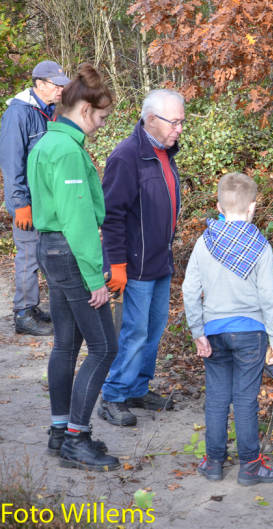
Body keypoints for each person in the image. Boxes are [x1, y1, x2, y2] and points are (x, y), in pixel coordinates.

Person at [27, 63, 119, 471]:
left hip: (52, 250)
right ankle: (76, 439)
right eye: (100, 117)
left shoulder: (46, 142)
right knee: (104, 347)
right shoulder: (65, 150)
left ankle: (60, 431)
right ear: (84, 110)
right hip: (68, 253)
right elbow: (78, 220)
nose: (100, 124)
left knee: (67, 343)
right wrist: (95, 277)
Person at [182, 172, 273, 486]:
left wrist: (197, 330)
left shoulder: (205, 242)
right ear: (253, 208)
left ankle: (213, 463)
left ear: (218, 206)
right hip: (251, 333)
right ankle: (250, 466)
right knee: (245, 400)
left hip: (214, 330)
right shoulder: (260, 246)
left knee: (215, 398)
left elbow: (188, 290)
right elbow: (269, 297)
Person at [97, 89, 184, 426]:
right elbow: (112, 215)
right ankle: (114, 394)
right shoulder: (126, 156)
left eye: (182, 122)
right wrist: (116, 264)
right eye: (174, 122)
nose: (179, 128)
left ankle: (137, 387)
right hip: (134, 265)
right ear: (151, 120)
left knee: (154, 329)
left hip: (160, 261)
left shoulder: (164, 153)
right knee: (134, 332)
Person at [0, 60, 71, 336]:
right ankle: (23, 314)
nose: (61, 90)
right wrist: (20, 205)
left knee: (45, 254)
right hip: (28, 204)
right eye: (56, 85)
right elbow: (11, 164)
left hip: (48, 202)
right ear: (39, 84)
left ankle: (33, 307)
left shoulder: (49, 111)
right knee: (29, 256)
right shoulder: (18, 114)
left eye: (62, 85)